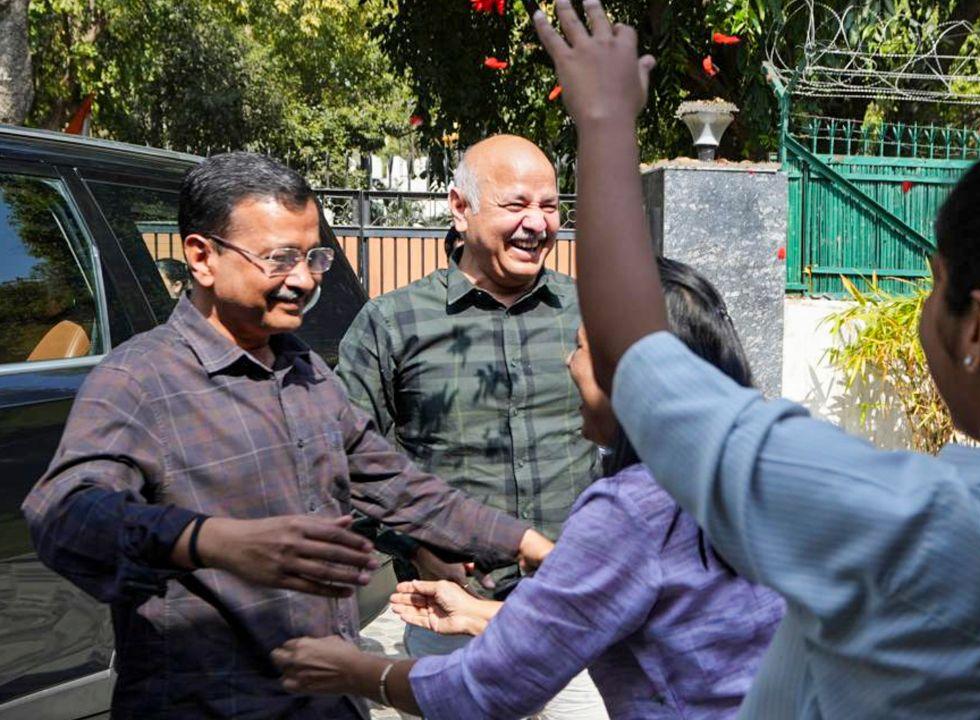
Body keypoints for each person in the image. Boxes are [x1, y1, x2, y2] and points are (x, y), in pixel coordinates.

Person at [522, 1, 980, 716]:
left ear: (977, 326)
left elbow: (638, 361)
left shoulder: (906, 529)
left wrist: (604, 117)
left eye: (936, 286)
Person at [21, 151, 552, 719]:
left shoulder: (306, 374)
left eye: (313, 256)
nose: (303, 280)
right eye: (279, 259)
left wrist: (525, 544)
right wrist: (209, 541)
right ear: (202, 257)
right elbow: (64, 518)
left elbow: (400, 488)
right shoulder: (139, 380)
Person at [272, 257, 785, 719]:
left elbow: (488, 689)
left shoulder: (631, 509)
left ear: (633, 371)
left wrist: (354, 670)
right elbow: (638, 621)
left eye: (580, 347)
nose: (567, 363)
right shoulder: (752, 466)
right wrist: (480, 613)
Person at [336, 135, 605, 715]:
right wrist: (415, 543)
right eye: (516, 205)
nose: (537, 223)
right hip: (449, 617)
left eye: (551, 206)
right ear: (461, 207)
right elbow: (349, 462)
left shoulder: (589, 314)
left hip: (572, 612)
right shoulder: (392, 324)